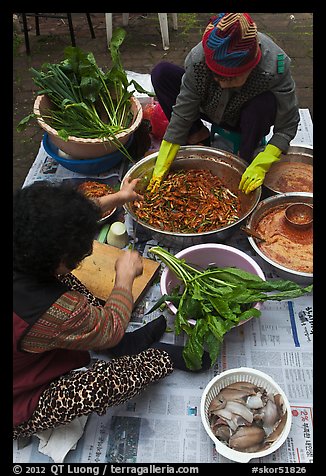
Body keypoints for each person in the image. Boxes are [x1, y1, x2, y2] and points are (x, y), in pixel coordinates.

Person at [13, 179, 210, 440]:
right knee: (98, 387)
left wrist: (120, 197)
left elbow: (61, 219)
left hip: (25, 346)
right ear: (60, 258)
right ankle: (159, 358)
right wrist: (125, 278)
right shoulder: (47, 309)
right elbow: (112, 328)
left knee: (68, 288)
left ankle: (121, 347)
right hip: (19, 394)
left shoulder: (22, 234)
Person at [148, 12, 300, 194]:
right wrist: (163, 161)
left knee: (265, 103)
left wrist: (264, 160)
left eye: (231, 79)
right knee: (162, 73)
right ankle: (199, 137)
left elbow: (288, 125)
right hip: (209, 108)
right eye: (217, 76)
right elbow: (183, 110)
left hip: (243, 118)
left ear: (252, 65)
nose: (222, 83)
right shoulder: (198, 59)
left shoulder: (274, 66)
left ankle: (243, 159)